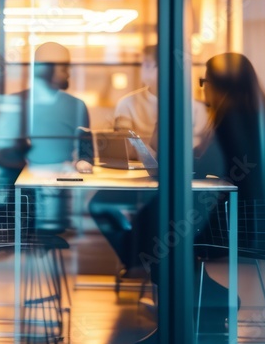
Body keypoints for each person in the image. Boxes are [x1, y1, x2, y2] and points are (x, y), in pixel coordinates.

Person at [123, 52, 265, 344]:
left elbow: (202, 168)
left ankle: (184, 320)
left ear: (221, 84)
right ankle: (209, 303)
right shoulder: (250, 115)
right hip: (261, 215)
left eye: (205, 81)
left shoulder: (234, 121)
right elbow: (209, 166)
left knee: (163, 233)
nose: (202, 87)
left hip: (253, 223)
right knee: (163, 226)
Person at [90, 45, 210, 272]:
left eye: (148, 65)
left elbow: (197, 149)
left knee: (157, 215)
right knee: (99, 205)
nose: (143, 70)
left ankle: (143, 257)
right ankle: (134, 255)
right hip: (137, 181)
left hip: (174, 183)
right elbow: (123, 145)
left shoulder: (193, 107)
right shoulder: (128, 102)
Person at [0, 42, 93, 232]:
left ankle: (47, 236)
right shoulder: (15, 104)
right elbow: (2, 153)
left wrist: (81, 163)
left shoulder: (77, 106)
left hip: (59, 182)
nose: (69, 72)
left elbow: (86, 153)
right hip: (24, 185)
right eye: (64, 67)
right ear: (45, 69)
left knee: (51, 221)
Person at [113, 45, 209, 153]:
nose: (143, 70)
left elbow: (193, 152)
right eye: (142, 65)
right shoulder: (126, 104)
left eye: (148, 65)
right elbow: (124, 148)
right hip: (138, 169)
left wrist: (142, 145)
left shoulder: (195, 109)